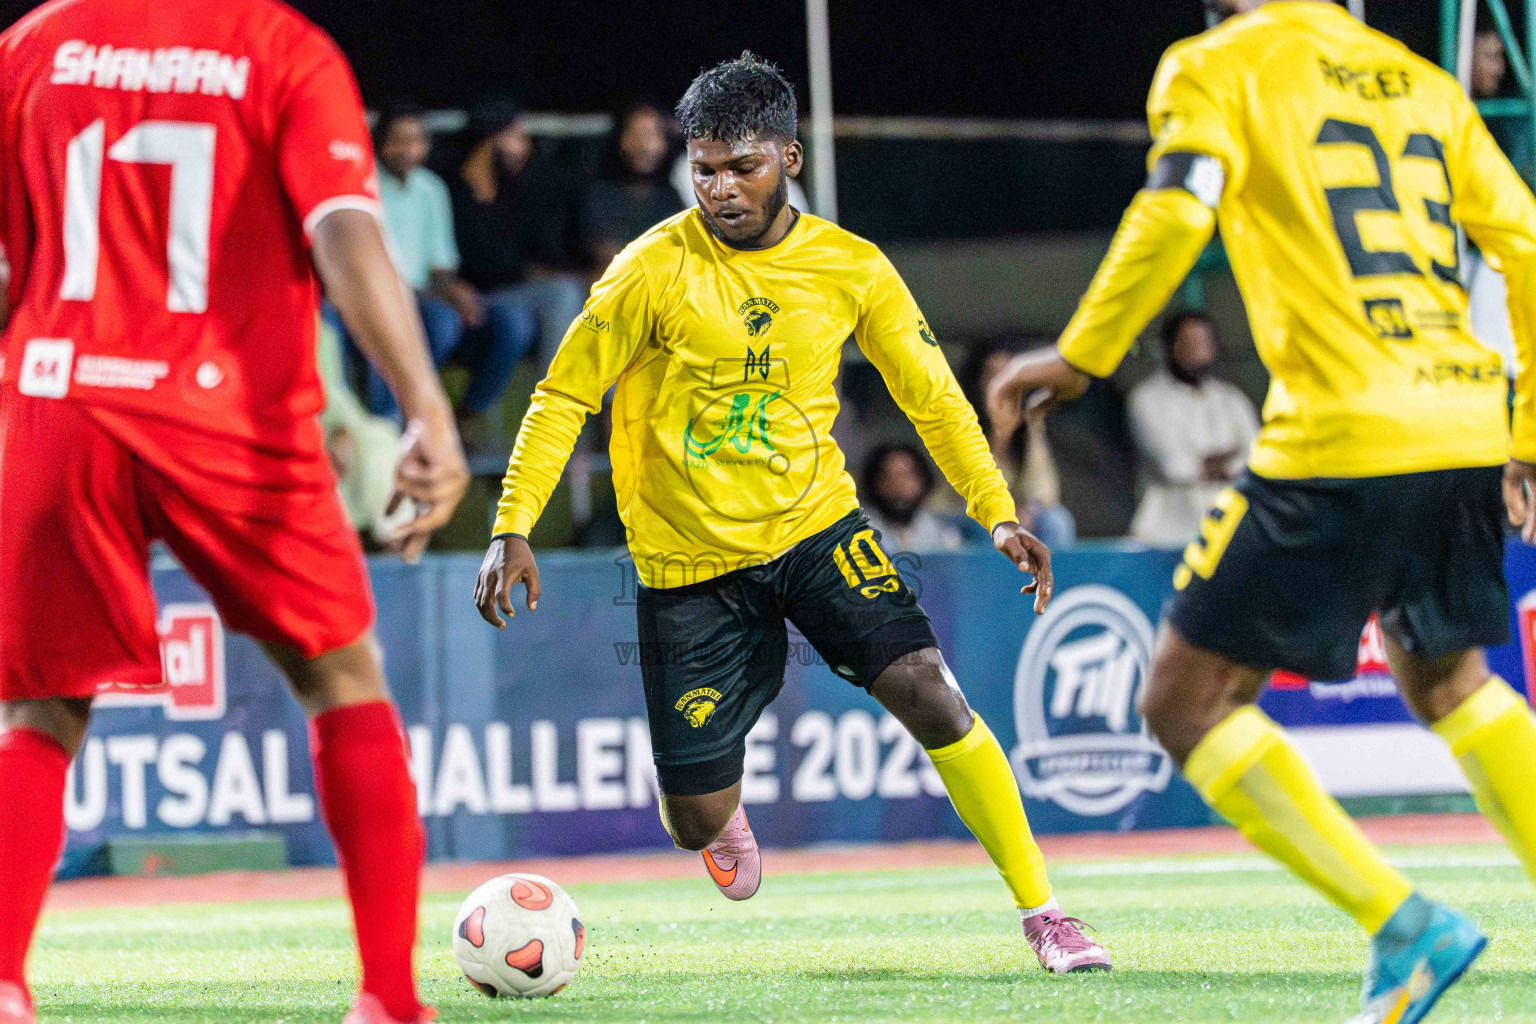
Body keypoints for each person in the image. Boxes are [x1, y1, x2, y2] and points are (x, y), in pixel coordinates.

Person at [475, 52, 1111, 975]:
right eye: (704, 169)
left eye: (743, 166)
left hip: (817, 530)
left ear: (791, 159)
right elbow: (563, 395)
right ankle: (722, 800)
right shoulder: (648, 270)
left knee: (931, 693)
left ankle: (1045, 912)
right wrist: (513, 524)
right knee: (693, 818)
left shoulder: (852, 268)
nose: (721, 189)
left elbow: (932, 397)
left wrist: (997, 510)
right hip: (689, 565)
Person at [988, 2, 1536, 1020]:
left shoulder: (1216, 65)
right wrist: (1528, 429)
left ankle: (1405, 926)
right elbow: (1528, 242)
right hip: (1463, 418)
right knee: (1452, 682)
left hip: (1342, 427)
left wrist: (1083, 353)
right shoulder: (1421, 80)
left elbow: (1177, 210)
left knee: (1184, 703)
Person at [0, 2, 469, 1023]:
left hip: (61, 399)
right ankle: (388, 997)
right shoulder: (281, 49)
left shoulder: (34, 45)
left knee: (42, 709)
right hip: (230, 413)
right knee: (341, 677)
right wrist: (423, 405)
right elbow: (345, 230)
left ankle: (3, 983)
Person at [362, 101, 512, 426]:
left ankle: (435, 418)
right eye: (398, 140)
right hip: (373, 296)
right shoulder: (363, 184)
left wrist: (454, 291)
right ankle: (391, 422)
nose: (407, 150)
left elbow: (441, 266)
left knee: (458, 321)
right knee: (399, 319)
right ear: (380, 142)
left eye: (415, 141)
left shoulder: (431, 189)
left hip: (420, 296)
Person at [449, 97, 586, 387]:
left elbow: (535, 254)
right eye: (517, 137)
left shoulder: (512, 193)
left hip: (512, 294)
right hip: (472, 298)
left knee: (591, 293)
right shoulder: (453, 194)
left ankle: (606, 404)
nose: (525, 148)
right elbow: (481, 267)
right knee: (563, 294)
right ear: (491, 140)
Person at [1124, 312, 1258, 544]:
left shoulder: (1232, 399)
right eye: (1189, 342)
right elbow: (1174, 466)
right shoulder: (1146, 398)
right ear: (1169, 346)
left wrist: (1211, 463)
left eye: (1204, 343)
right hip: (1164, 534)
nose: (1198, 351)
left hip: (1232, 529)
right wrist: (1227, 459)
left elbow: (1256, 459)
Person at [964, 337, 1077, 551]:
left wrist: (1029, 509)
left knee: (1057, 520)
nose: (1000, 384)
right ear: (978, 381)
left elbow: (1045, 486)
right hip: (968, 512)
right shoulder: (960, 419)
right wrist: (1000, 437)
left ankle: (1052, 574)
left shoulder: (1029, 420)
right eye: (991, 375)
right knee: (983, 523)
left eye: (1006, 374)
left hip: (1015, 510)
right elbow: (973, 489)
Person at [582, 100, 685, 272]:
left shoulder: (671, 197)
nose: (644, 146)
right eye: (636, 134)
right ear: (621, 138)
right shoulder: (601, 194)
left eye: (652, 134)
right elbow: (606, 255)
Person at [861, 443, 965, 553]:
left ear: (923, 479)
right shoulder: (858, 531)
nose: (898, 484)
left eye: (905, 475)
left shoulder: (943, 534)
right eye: (888, 476)